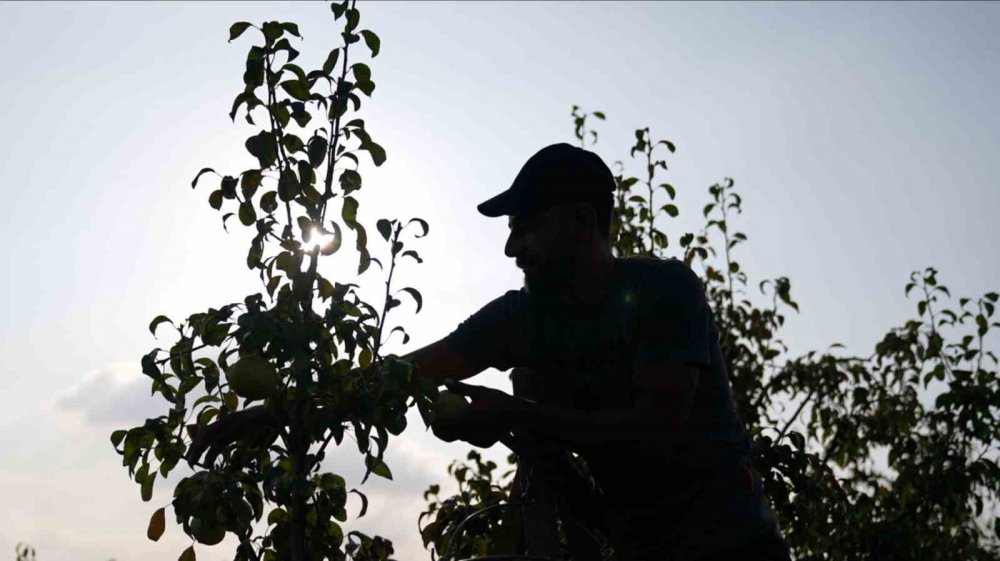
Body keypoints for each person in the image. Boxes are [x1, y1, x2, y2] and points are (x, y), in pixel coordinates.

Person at [188, 143, 791, 561]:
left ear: (583, 222)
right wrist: (285, 412)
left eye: (526, 225)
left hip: (732, 549)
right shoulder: (518, 319)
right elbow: (399, 377)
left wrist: (513, 418)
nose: (510, 246)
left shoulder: (663, 292)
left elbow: (656, 429)